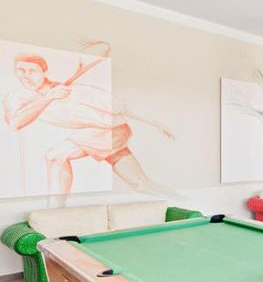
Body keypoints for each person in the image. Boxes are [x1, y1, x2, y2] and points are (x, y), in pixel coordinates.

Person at [2, 39, 175, 204]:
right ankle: (182, 200)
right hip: (98, 137)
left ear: (44, 71)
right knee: (141, 184)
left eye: (32, 71)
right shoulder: (17, 97)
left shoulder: (76, 91)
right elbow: (15, 123)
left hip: (112, 131)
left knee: (56, 156)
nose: (26, 76)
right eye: (21, 70)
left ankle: (55, 212)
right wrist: (48, 98)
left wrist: (157, 124)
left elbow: (123, 108)